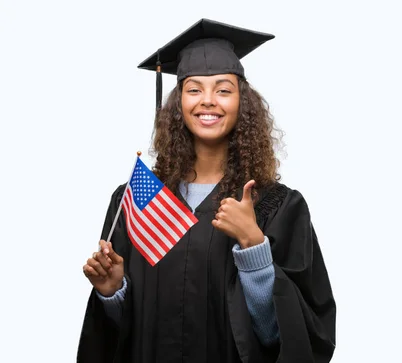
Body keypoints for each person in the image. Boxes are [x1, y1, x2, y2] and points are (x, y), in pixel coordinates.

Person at [77, 18, 336, 363]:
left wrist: (254, 246)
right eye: (194, 89)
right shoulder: (139, 200)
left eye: (224, 89)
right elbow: (122, 338)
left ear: (242, 103)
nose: (208, 101)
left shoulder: (277, 206)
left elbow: (291, 338)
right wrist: (113, 294)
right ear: (178, 103)